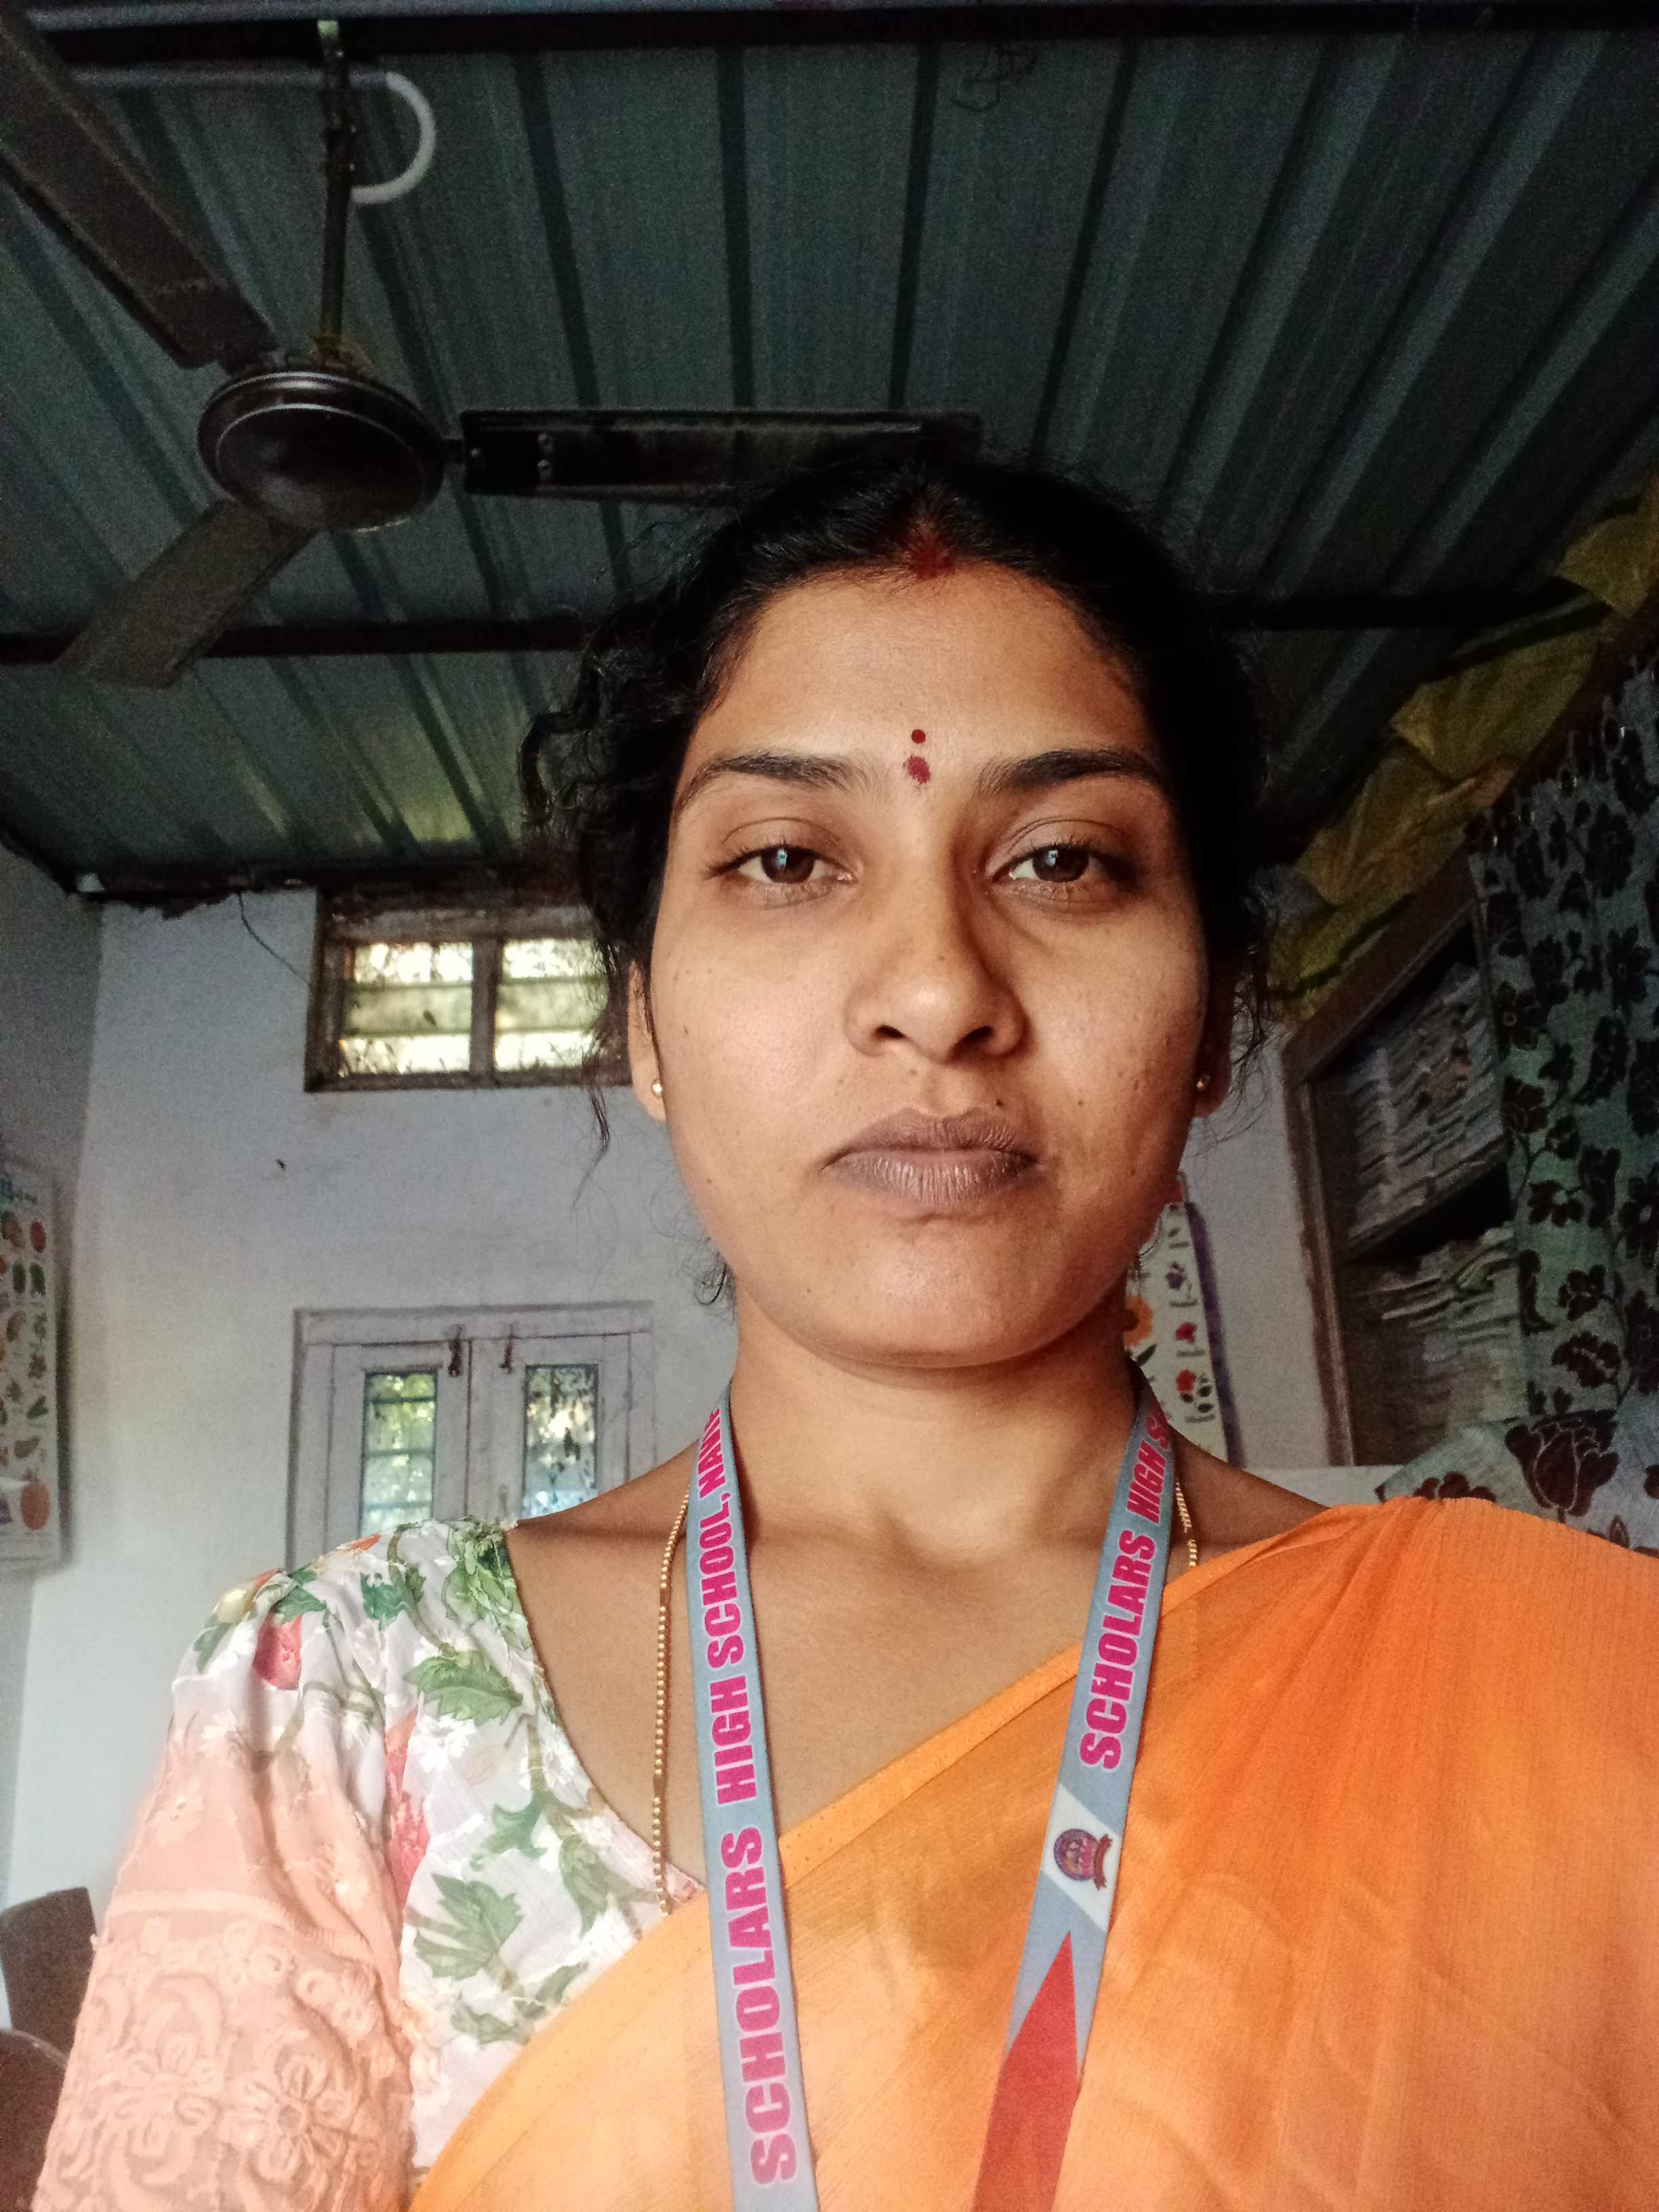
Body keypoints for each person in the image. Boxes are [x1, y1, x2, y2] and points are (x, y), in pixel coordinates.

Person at [35, 458, 1659, 2212]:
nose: (940, 990)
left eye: (1064, 859)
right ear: (644, 1024)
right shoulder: (350, 1706)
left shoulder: (1548, 1699)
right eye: (789, 859)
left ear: (1212, 1021)